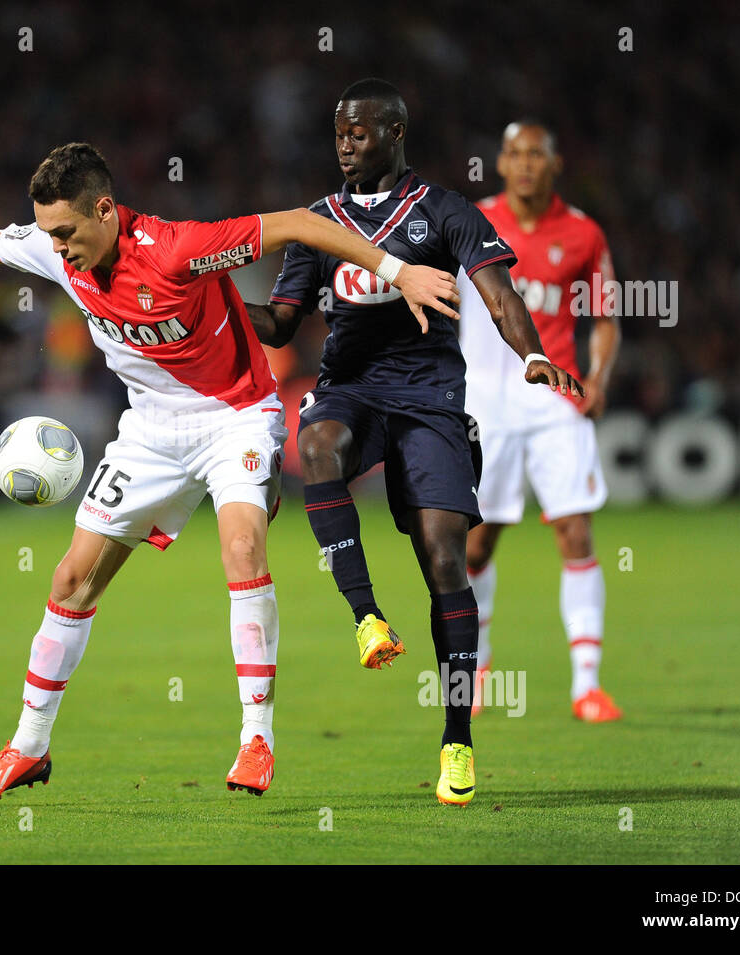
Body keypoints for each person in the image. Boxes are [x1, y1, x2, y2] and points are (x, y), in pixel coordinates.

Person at [0, 142, 458, 801]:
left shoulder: (180, 248)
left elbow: (302, 224)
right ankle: (28, 746)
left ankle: (257, 736)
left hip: (236, 418)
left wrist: (399, 272)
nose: (57, 245)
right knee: (71, 579)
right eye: (48, 232)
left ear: (105, 209)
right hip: (150, 432)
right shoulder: (56, 250)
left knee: (242, 545)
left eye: (67, 231)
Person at [248, 80, 582, 807]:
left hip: (431, 397)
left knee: (445, 562)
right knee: (320, 442)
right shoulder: (319, 220)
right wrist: (211, 300)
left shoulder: (444, 210)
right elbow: (280, 323)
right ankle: (366, 617)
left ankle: (457, 737)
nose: (344, 144)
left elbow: (499, 294)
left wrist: (530, 353)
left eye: (359, 133)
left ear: (395, 134)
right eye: (338, 133)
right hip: (351, 386)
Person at [460, 121, 622, 723]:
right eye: (514, 154)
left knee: (576, 535)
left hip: (556, 401)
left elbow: (606, 315)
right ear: (500, 163)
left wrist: (600, 381)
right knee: (476, 544)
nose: (524, 164)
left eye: (536, 155)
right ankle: (475, 668)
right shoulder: (467, 222)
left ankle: (586, 685)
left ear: (555, 165)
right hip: (482, 405)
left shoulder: (583, 233)